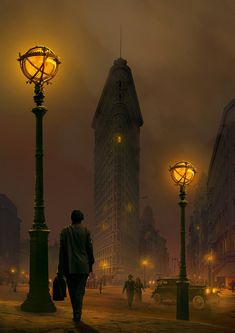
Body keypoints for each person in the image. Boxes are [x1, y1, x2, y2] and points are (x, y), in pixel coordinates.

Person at [58, 210, 94, 323]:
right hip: (83, 267)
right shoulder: (86, 231)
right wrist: (91, 262)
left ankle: (76, 312)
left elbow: (62, 251)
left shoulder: (65, 231)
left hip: (69, 266)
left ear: (71, 218)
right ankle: (78, 313)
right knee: (80, 292)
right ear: (81, 219)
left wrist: (60, 267)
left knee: (72, 291)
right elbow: (89, 249)